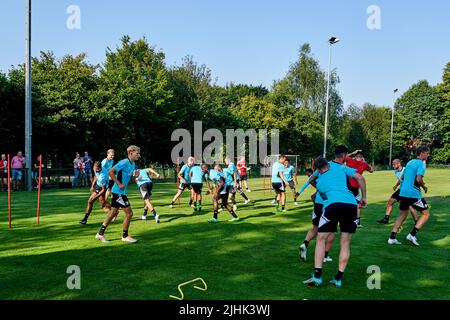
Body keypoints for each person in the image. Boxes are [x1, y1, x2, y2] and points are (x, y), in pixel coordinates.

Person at [303, 156, 367, 288]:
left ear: (318, 170)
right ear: (328, 165)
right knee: (345, 242)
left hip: (333, 206)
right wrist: (364, 197)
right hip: (351, 205)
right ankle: (338, 278)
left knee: (321, 238)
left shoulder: (320, 183)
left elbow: (323, 196)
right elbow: (360, 177)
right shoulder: (341, 169)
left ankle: (317, 277)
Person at [95, 145, 141, 243]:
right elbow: (110, 172)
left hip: (120, 192)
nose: (139, 155)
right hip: (118, 193)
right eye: (137, 153)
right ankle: (125, 236)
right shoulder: (124, 162)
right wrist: (119, 183)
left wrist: (135, 177)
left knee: (112, 213)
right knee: (129, 213)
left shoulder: (132, 164)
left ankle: (100, 233)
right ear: (131, 153)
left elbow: (128, 180)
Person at [388, 146, 431, 246]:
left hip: (403, 192)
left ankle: (392, 238)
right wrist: (424, 187)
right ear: (422, 153)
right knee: (426, 214)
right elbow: (419, 179)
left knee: (402, 215)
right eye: (427, 153)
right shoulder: (421, 163)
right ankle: (412, 235)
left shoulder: (410, 162)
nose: (428, 155)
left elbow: (403, 176)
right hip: (413, 194)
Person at [297, 169, 335, 263]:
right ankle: (324, 256)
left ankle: (305, 244)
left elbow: (309, 181)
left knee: (315, 227)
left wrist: (300, 192)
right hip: (328, 204)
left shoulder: (319, 171)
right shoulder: (334, 172)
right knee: (331, 231)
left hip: (318, 203)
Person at [377, 159, 418, 224]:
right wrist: (396, 185)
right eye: (392, 164)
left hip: (407, 191)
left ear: (399, 164)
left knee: (410, 206)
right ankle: (386, 218)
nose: (393, 166)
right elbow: (400, 179)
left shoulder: (406, 170)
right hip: (401, 190)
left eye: (394, 164)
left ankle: (417, 221)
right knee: (390, 201)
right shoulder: (396, 171)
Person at [345, 150, 373, 228]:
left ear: (355, 157)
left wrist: (353, 152)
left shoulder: (350, 160)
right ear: (361, 158)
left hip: (347, 185)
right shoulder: (364, 164)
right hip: (356, 186)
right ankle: (357, 222)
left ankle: (347, 220)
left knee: (347, 203)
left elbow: (344, 157)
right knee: (357, 205)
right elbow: (371, 170)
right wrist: (365, 161)